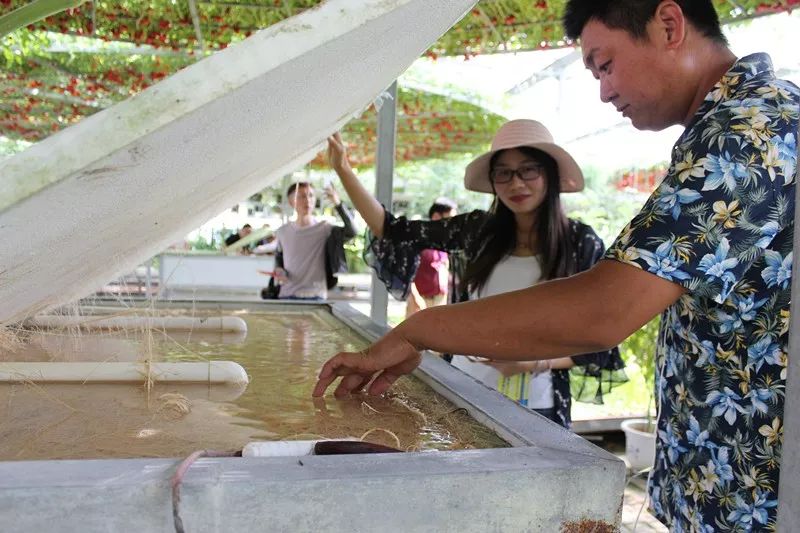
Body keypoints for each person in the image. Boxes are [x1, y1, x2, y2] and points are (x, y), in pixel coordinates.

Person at [315, 1, 800, 530]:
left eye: (606, 64)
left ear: (668, 25)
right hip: (725, 482)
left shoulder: (750, 130)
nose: (604, 91)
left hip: (756, 496)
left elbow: (603, 311)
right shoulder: (740, 123)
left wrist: (419, 331)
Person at [326, 121, 625, 428]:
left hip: (538, 406)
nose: (516, 183)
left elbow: (599, 341)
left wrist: (533, 362)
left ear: (549, 173)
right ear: (493, 181)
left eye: (528, 170)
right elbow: (392, 230)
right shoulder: (478, 230)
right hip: (463, 394)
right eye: (504, 173)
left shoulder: (580, 242)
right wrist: (344, 170)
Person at [271, 181, 356, 300]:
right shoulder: (282, 231)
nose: (307, 200)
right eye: (301, 196)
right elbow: (279, 258)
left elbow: (352, 231)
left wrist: (337, 203)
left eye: (311, 195)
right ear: (291, 202)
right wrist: (279, 271)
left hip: (315, 296)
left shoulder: (324, 229)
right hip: (287, 295)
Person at [405, 200, 456, 317]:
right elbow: (407, 272)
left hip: (440, 300)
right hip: (419, 300)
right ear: (436, 216)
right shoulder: (418, 238)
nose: (454, 224)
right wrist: (414, 297)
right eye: (451, 219)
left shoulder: (446, 241)